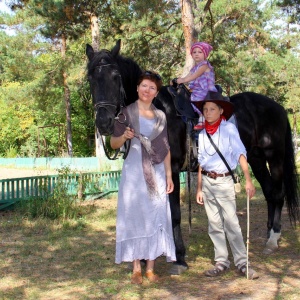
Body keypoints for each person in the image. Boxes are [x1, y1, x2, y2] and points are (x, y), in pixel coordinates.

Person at [110, 71, 176, 284]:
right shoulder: (125, 114)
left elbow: (165, 148)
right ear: (138, 88)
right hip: (134, 174)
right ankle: (136, 268)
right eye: (144, 86)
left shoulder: (160, 116)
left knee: (155, 215)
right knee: (135, 215)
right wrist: (124, 136)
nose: (147, 90)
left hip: (156, 172)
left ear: (156, 93)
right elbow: (113, 144)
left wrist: (169, 175)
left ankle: (150, 268)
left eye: (152, 88)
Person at [195, 91, 259, 280]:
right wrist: (199, 187)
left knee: (231, 223)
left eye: (212, 109)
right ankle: (221, 261)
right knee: (214, 224)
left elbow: (240, 153)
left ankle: (242, 262)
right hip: (207, 182)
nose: (208, 112)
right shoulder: (202, 133)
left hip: (224, 181)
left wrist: (248, 180)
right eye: (205, 109)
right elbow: (201, 162)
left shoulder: (229, 129)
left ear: (221, 110)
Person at [176, 42, 218, 130]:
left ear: (205, 54)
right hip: (197, 90)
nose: (196, 54)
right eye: (194, 52)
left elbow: (194, 76)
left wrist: (183, 80)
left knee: (196, 99)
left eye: (199, 52)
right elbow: (187, 76)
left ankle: (203, 118)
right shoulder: (194, 67)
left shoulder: (204, 66)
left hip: (206, 90)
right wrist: (177, 80)